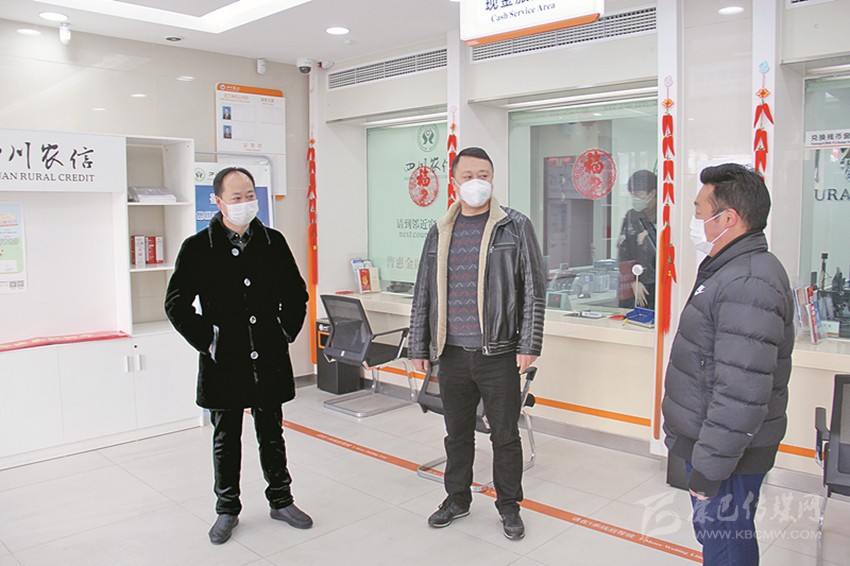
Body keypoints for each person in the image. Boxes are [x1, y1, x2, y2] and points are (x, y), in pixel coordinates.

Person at [165, 167, 311, 545]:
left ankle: (281, 500)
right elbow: (176, 304)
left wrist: (283, 331)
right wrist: (209, 340)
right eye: (236, 197)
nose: (245, 203)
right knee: (226, 438)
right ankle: (227, 508)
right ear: (218, 201)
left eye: (250, 195)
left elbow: (296, 294)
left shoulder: (273, 242)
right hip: (224, 361)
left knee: (272, 434)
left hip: (268, 355)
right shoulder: (198, 247)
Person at [408, 147, 546, 541]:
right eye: (468, 175)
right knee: (456, 434)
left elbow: (534, 290)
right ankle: (457, 499)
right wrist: (418, 346)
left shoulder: (514, 226)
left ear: (492, 178)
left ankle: (509, 506)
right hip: (450, 354)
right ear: (454, 181)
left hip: (498, 353)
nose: (476, 182)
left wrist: (529, 342)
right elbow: (423, 292)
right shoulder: (440, 230)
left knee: (505, 435)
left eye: (483, 175)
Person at [662, 164, 794, 565]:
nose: (695, 222)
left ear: (729, 218)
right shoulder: (731, 270)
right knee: (719, 539)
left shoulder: (747, 282)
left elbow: (741, 390)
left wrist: (710, 467)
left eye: (700, 212)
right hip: (717, 445)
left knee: (727, 547)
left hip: (728, 454)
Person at [617, 170, 657, 309]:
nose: (635, 198)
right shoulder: (631, 217)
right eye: (633, 195)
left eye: (639, 194)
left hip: (658, 284)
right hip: (634, 285)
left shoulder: (664, 216)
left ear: (653, 193)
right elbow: (623, 253)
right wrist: (632, 280)